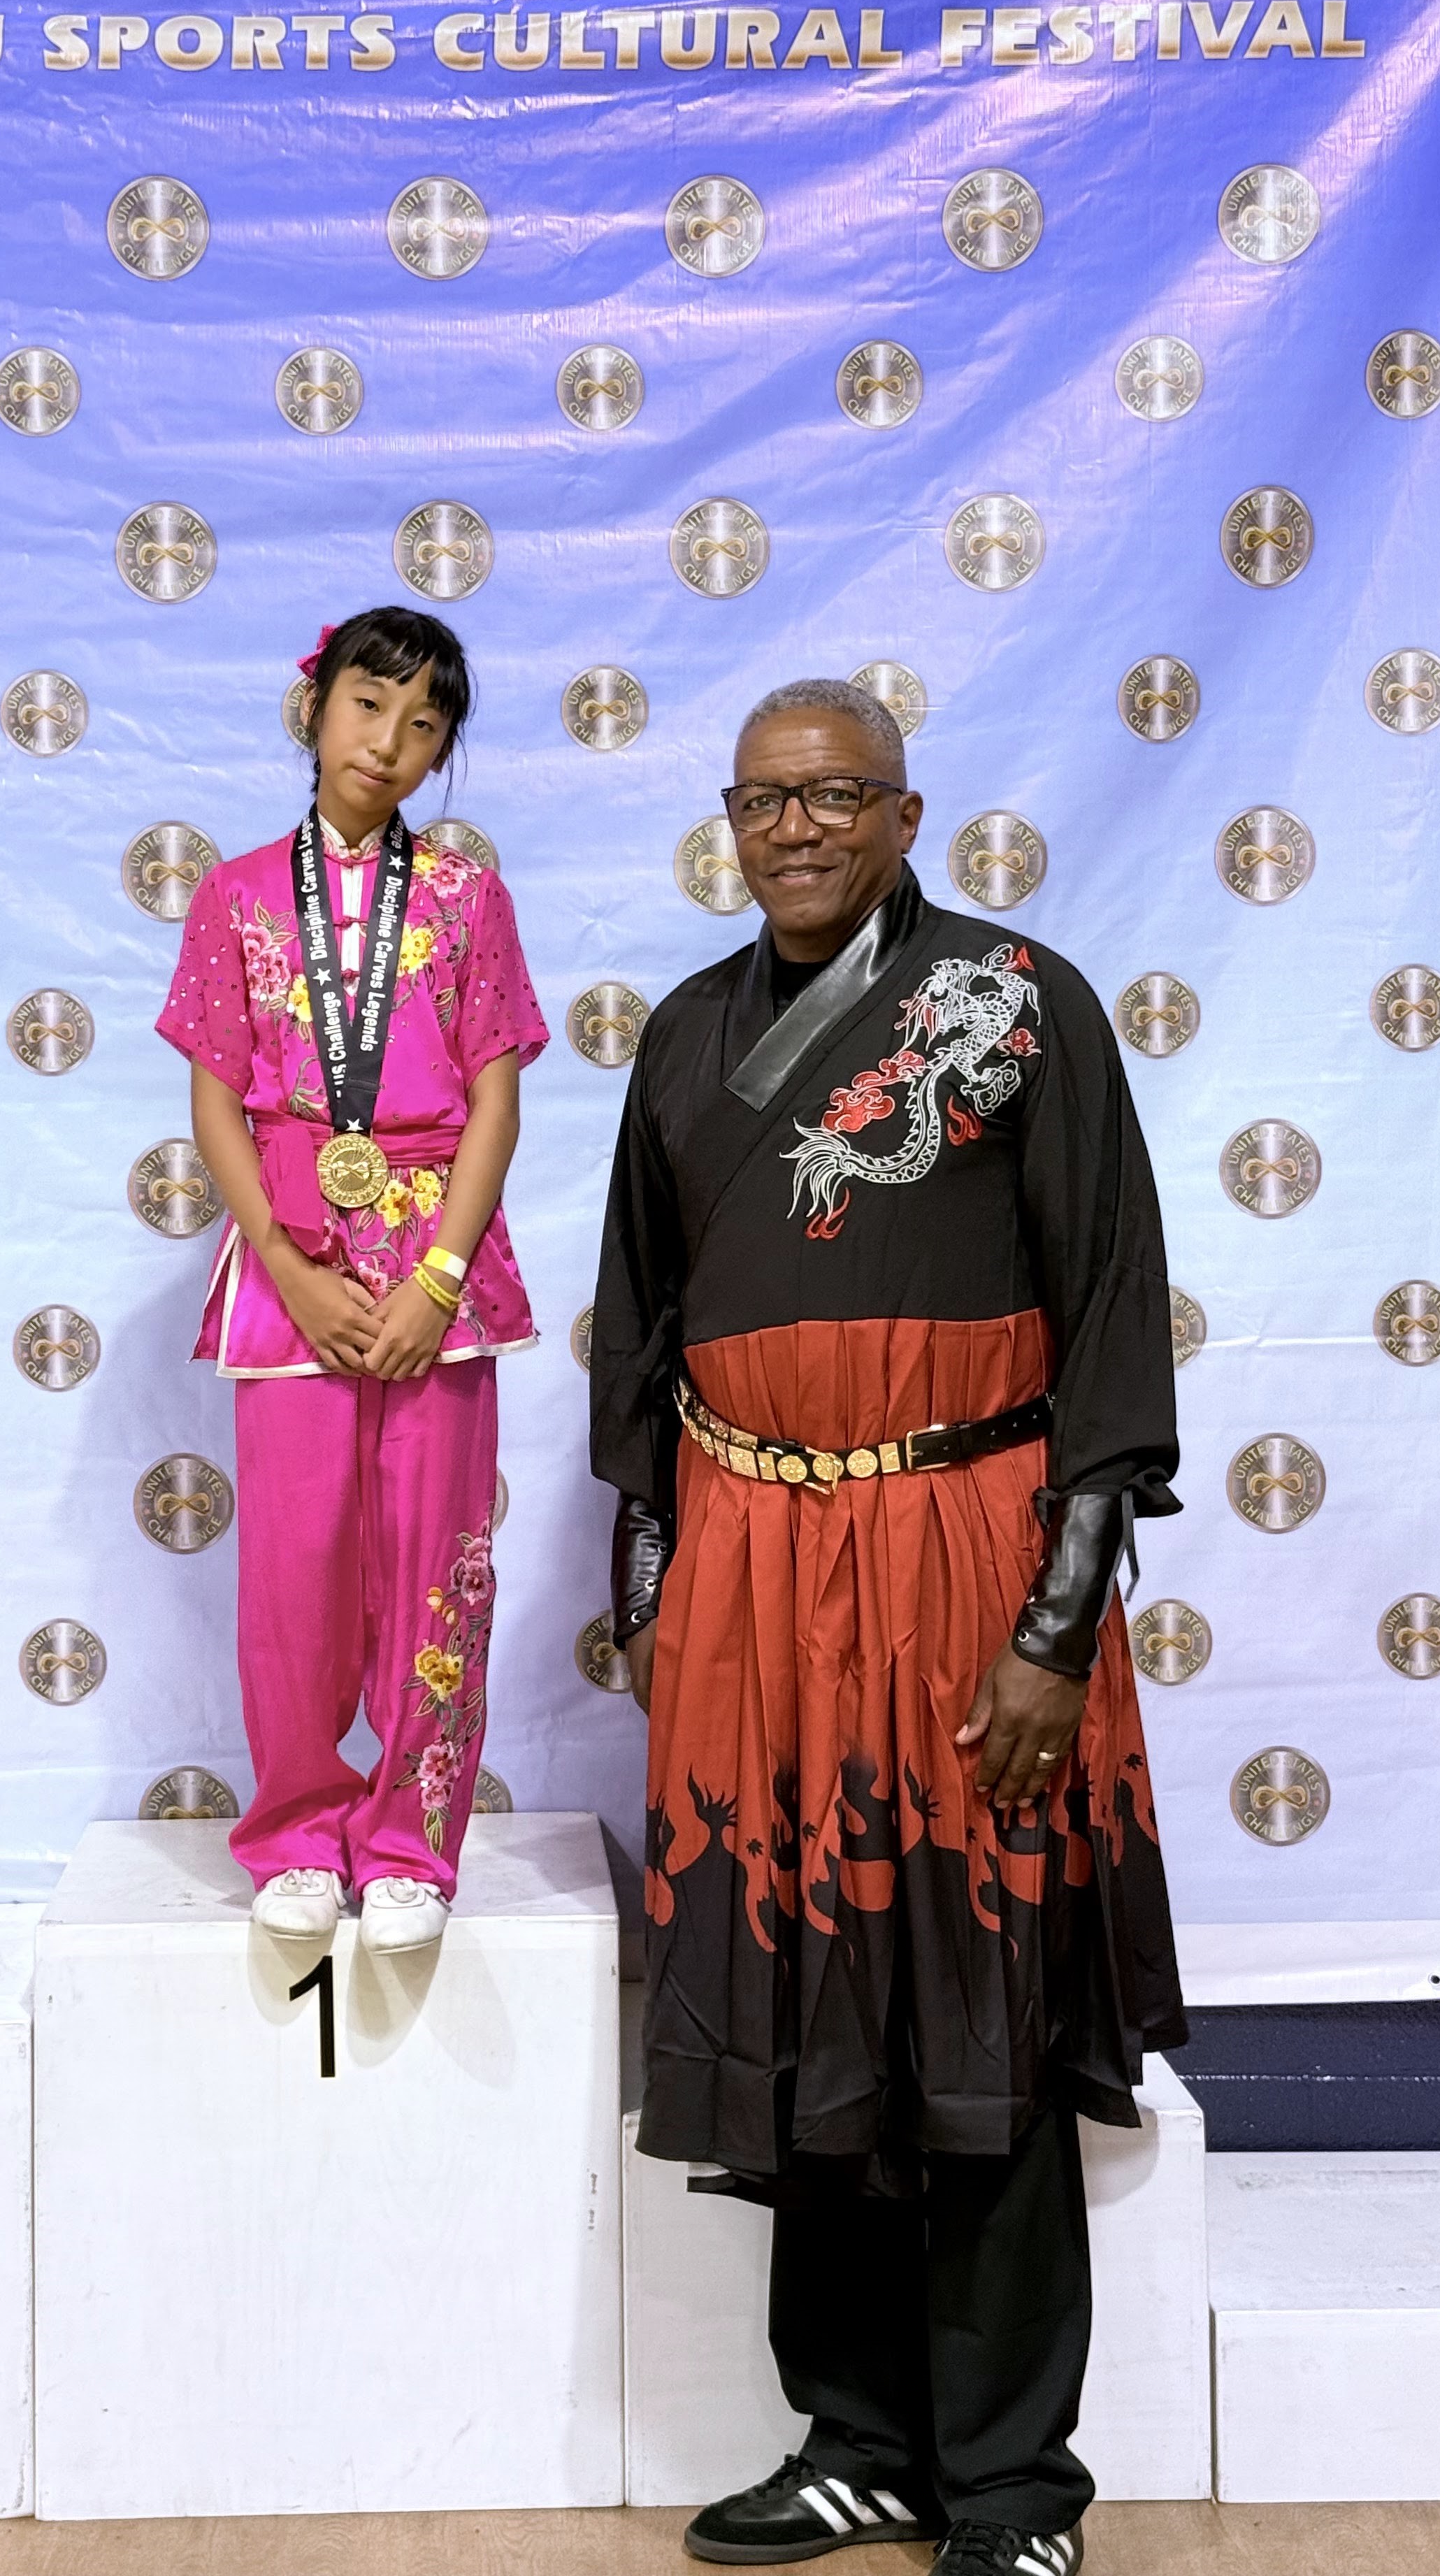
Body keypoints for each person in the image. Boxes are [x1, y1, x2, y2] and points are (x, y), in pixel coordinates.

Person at [590, 680, 1184, 2573]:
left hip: (964, 1560)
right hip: (755, 1568)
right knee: (804, 1991)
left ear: (906, 815)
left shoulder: (1016, 1004)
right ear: (730, 822)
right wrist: (649, 1585)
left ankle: (1009, 2487)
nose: (798, 828)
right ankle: (853, 2440)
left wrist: (1059, 1626)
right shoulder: (682, 1038)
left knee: (976, 1998)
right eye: (765, 800)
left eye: (837, 794)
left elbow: (1110, 1310)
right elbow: (641, 1331)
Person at [158, 607, 547, 1955]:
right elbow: (216, 1106)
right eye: (368, 705)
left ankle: (411, 1848)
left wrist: (439, 1280)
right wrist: (284, 1263)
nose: (390, 742)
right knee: (295, 1567)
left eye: (424, 724)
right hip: (291, 1269)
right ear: (313, 708)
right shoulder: (236, 896)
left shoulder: (469, 898)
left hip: (440, 1265)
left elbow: (494, 1104)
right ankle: (294, 1832)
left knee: (440, 1559)